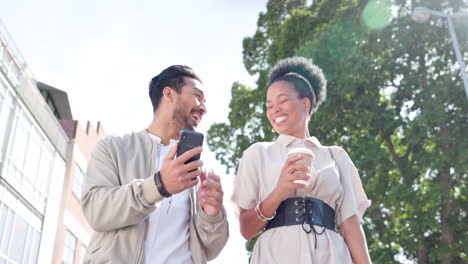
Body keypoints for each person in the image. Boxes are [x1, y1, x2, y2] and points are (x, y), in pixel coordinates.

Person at [81, 65, 229, 264]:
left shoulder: (199, 172)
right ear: (169, 94)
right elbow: (96, 212)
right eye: (197, 96)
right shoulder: (114, 148)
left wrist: (211, 216)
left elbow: (209, 250)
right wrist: (158, 185)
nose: (203, 107)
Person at [231, 57, 372, 263]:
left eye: (283, 100)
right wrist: (279, 191)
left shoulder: (335, 156)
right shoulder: (258, 153)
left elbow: (350, 224)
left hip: (332, 256)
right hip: (276, 255)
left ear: (305, 104)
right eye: (269, 105)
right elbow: (246, 229)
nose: (275, 110)